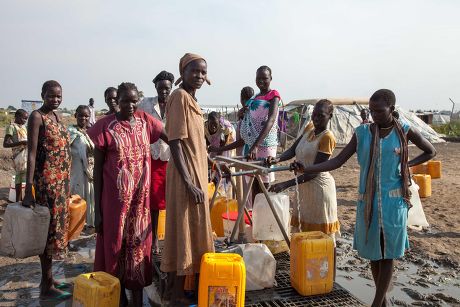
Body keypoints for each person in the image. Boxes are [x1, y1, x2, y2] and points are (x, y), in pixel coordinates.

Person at [291, 89, 436, 307]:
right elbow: (337, 161)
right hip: (367, 200)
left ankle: (377, 303)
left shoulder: (404, 131)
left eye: (380, 111)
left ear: (392, 110)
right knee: (374, 254)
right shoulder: (362, 133)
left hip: (393, 202)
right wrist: (308, 168)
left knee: (387, 254)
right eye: (371, 111)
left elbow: (430, 151)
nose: (375, 115)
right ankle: (382, 301)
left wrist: (406, 164)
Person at [88, 82, 166, 307]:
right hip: (115, 204)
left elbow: (168, 136)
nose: (130, 105)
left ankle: (138, 299)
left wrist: (191, 153)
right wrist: (97, 211)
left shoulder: (144, 121)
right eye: (125, 100)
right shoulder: (105, 127)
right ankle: (119, 297)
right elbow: (97, 172)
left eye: (134, 100)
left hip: (140, 205)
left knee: (139, 250)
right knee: (116, 248)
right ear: (117, 101)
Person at [160, 53, 214, 306]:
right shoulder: (179, 97)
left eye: (203, 72)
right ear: (183, 72)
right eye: (195, 71)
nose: (200, 76)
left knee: (194, 228)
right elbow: (175, 142)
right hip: (185, 176)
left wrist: (209, 160)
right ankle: (175, 294)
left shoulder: (191, 98)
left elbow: (195, 140)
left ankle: (177, 290)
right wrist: (189, 182)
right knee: (182, 229)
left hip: (197, 172)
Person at [22, 80, 72, 301]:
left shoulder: (57, 117)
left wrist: (68, 186)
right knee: (47, 235)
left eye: (59, 96)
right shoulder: (37, 117)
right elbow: (31, 154)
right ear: (42, 94)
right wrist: (28, 189)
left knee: (55, 235)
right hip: (46, 186)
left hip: (60, 186)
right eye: (51, 96)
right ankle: (45, 285)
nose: (56, 100)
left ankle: (50, 279)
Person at [269, 99, 340, 239]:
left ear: (330, 116)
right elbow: (293, 149)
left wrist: (285, 184)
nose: (316, 118)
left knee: (322, 237)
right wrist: (277, 159)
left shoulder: (327, 137)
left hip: (319, 188)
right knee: (303, 233)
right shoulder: (309, 128)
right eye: (314, 114)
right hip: (302, 187)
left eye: (321, 115)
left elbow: (314, 171)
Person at [137, 70, 174, 254]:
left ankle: (172, 238)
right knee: (153, 201)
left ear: (171, 87)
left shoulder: (176, 104)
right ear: (156, 87)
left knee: (170, 198)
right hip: (151, 156)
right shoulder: (145, 104)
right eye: (161, 88)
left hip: (170, 156)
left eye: (167, 88)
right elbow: (136, 123)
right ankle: (153, 242)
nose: (164, 91)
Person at [68, 105, 95, 227]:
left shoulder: (91, 132)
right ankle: (76, 224)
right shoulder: (71, 132)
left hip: (89, 172)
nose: (83, 118)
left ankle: (86, 223)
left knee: (89, 196)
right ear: (75, 116)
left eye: (86, 116)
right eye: (81, 115)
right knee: (78, 195)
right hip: (77, 170)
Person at [3, 109, 28, 201]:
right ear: (16, 117)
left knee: (27, 177)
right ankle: (18, 200)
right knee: (19, 178)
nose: (25, 121)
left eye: (26, 119)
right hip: (18, 155)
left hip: (26, 155)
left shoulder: (23, 127)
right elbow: (5, 144)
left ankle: (25, 199)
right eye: (23, 118)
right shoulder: (11, 127)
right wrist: (21, 143)